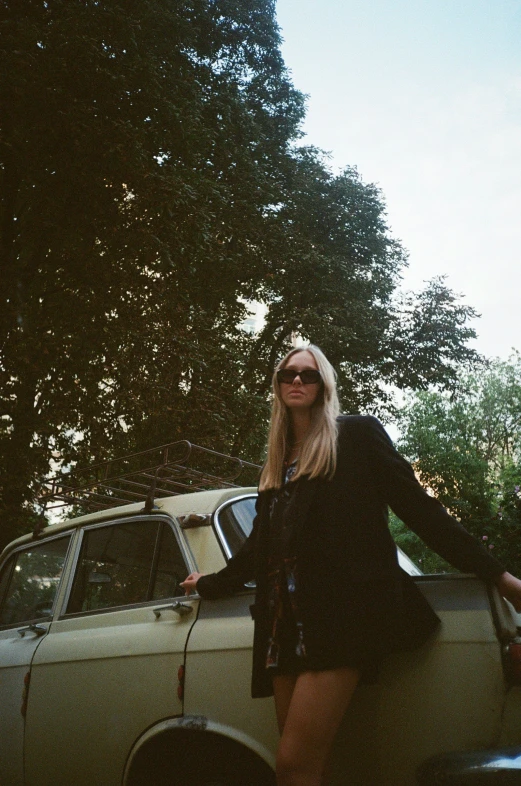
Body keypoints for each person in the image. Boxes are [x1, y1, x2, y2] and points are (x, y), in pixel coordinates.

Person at [181, 345, 521, 786]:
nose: (297, 381)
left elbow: (420, 511)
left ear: (325, 385)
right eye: (288, 374)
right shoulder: (279, 462)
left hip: (341, 619)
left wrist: (501, 577)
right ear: (278, 385)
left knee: (293, 766)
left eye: (309, 375)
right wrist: (205, 583)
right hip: (282, 626)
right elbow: (257, 550)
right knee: (314, 765)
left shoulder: (356, 437)